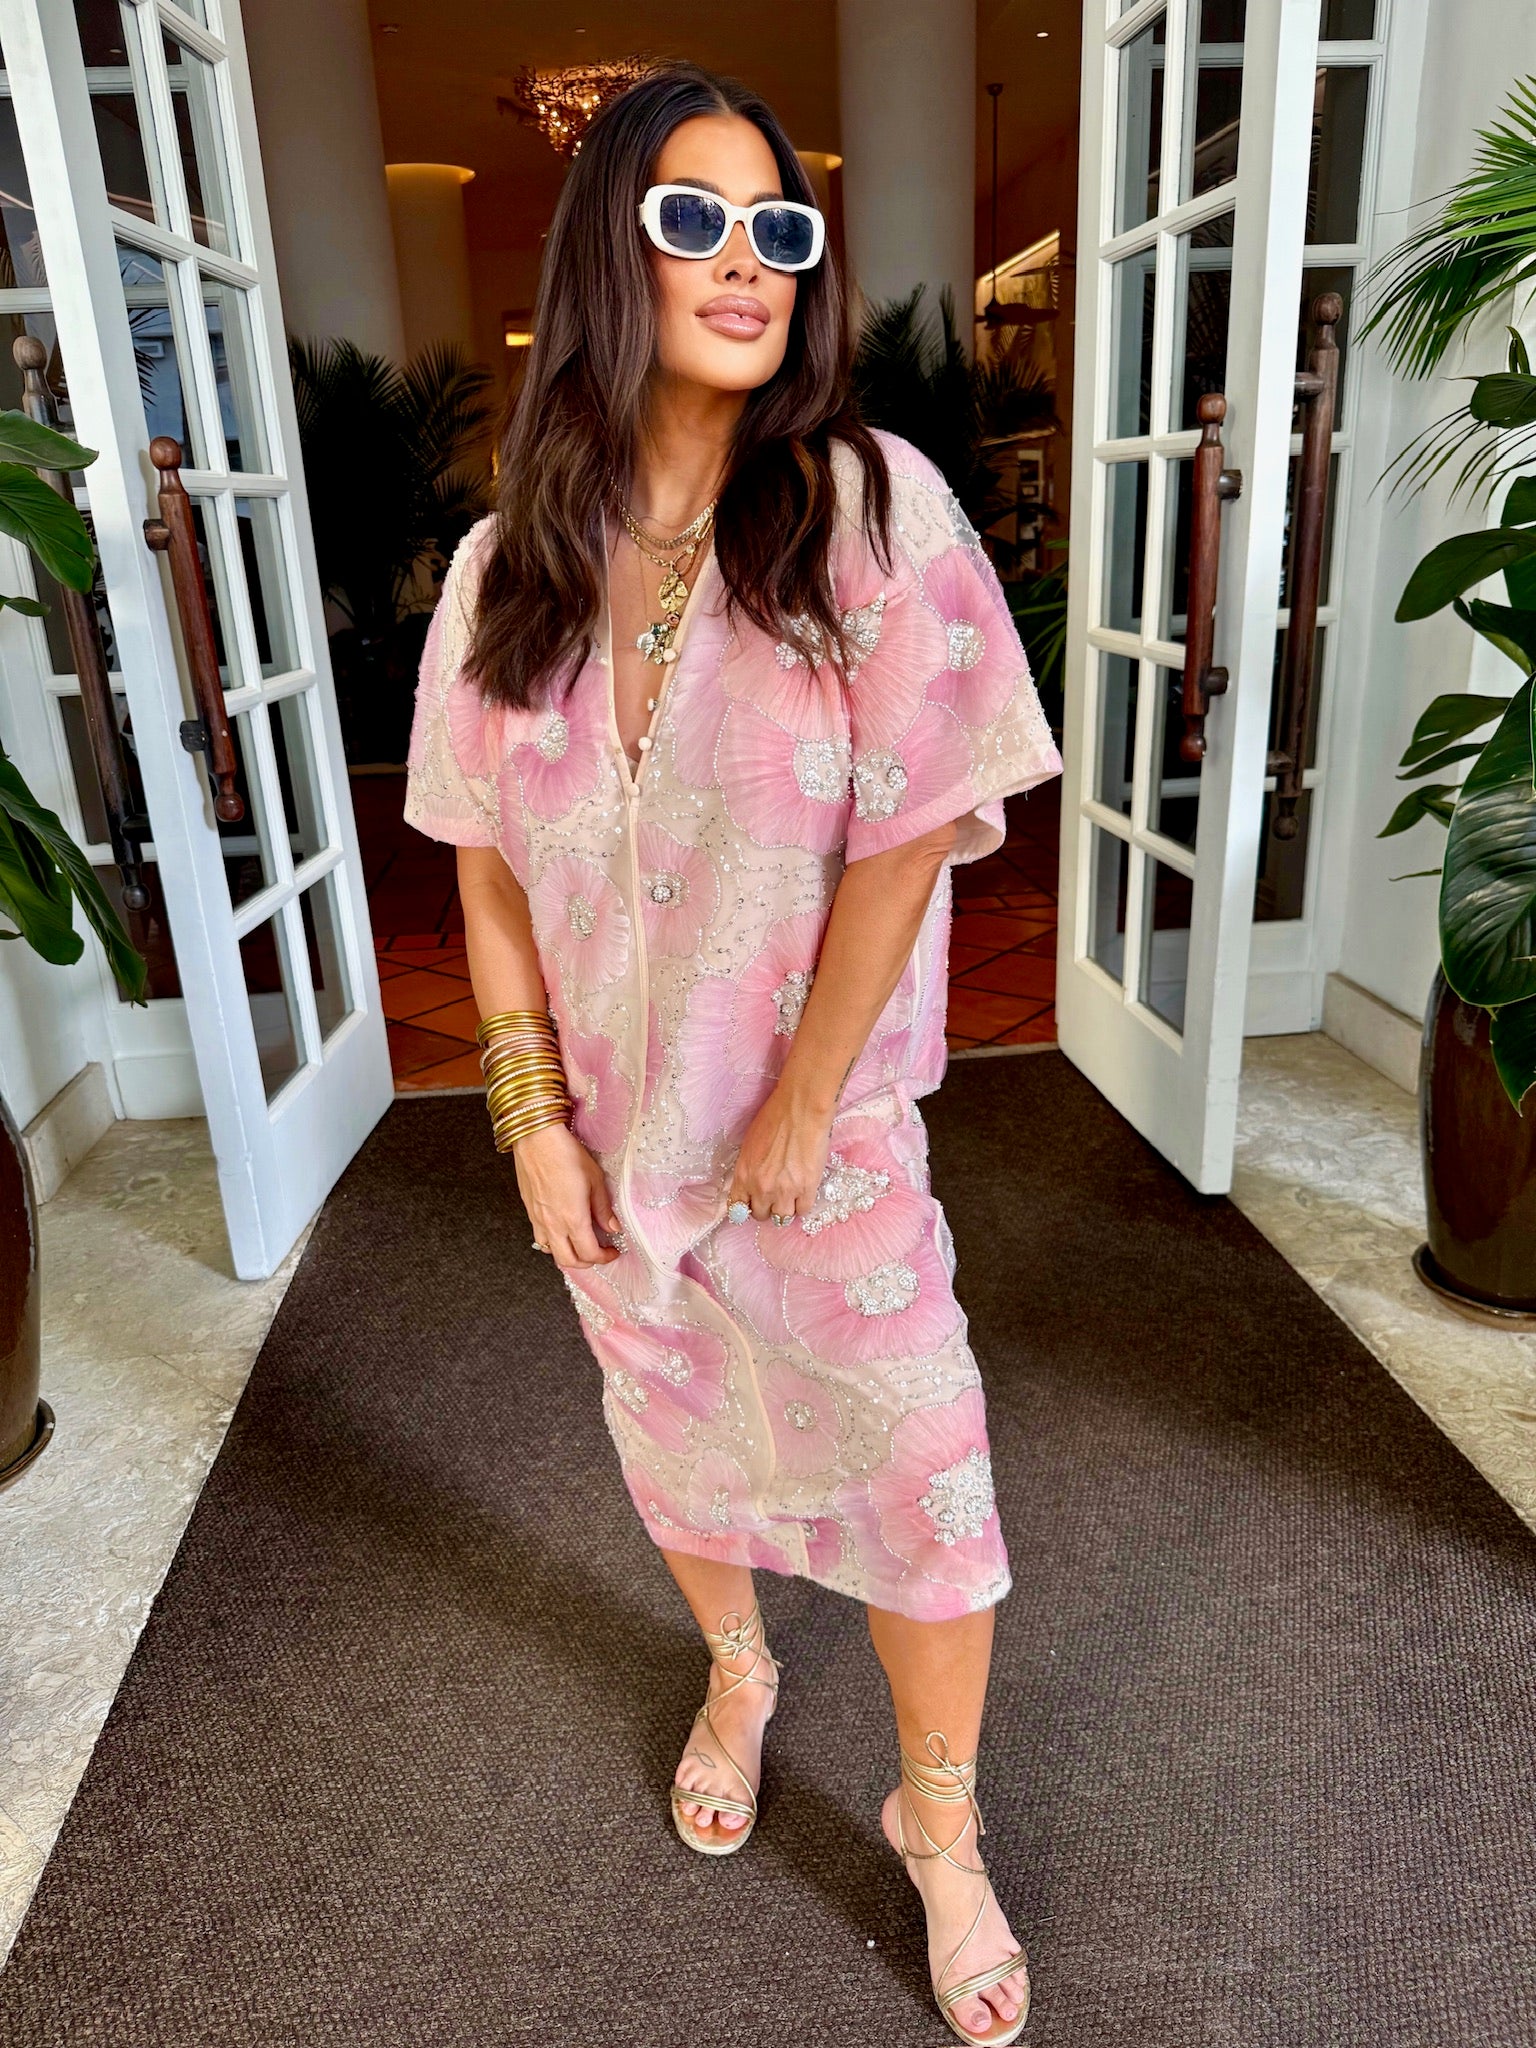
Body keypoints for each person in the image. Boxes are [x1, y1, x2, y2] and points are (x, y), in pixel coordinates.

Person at [404, 60, 1062, 2047]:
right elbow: (486, 870)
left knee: (924, 1471)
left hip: (820, 1148)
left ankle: (937, 1819)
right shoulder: (503, 569)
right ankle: (743, 1668)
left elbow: (915, 824)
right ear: (608, 258)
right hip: (615, 1159)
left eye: (779, 226)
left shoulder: (867, 507)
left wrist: (799, 1098)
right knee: (676, 1433)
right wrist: (528, 1118)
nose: (748, 260)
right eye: (692, 219)